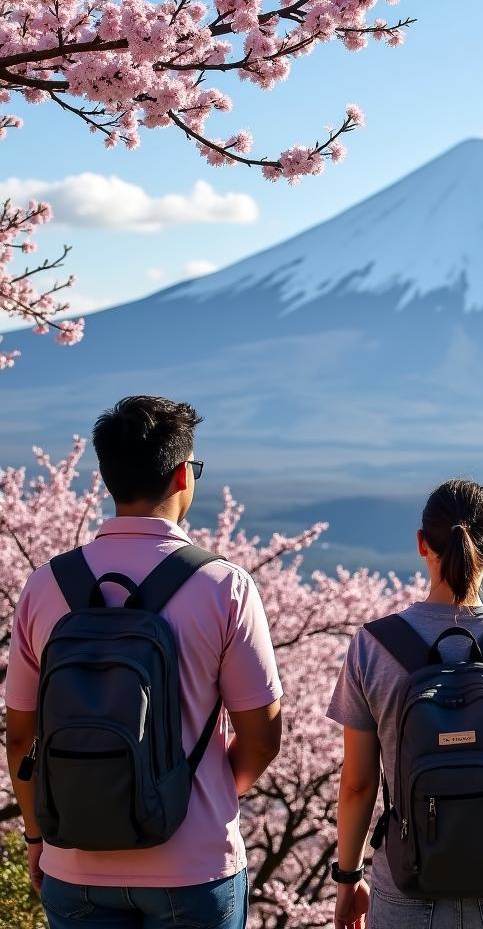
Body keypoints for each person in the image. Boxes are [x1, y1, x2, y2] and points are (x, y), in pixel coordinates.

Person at [4, 395, 283, 929]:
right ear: (183, 475)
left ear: (107, 476)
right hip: (194, 863)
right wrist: (210, 791)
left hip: (76, 861)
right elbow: (263, 735)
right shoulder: (224, 587)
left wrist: (37, 836)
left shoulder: (45, 586)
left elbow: (20, 736)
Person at [326, 478, 483, 929]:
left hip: (406, 883)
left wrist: (348, 879)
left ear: (422, 544)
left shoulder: (372, 646)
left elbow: (358, 785)